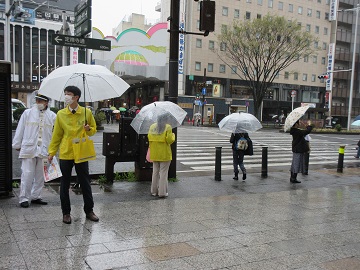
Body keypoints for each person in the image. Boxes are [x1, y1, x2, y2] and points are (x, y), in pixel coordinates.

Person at [47, 86, 99, 224]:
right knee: (64, 184)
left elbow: (93, 130)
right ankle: (66, 213)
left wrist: (89, 129)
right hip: (66, 152)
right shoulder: (61, 114)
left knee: (85, 182)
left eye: (68, 94)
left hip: (82, 151)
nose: (66, 97)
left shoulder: (86, 112)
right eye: (65, 94)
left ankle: (89, 210)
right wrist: (51, 152)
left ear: (76, 97)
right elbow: (56, 135)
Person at [12, 93, 56, 208]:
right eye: (37, 100)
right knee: (27, 174)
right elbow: (20, 128)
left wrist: (53, 149)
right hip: (29, 148)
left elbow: (56, 134)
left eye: (41, 101)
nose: (38, 103)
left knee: (41, 175)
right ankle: (24, 198)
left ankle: (36, 196)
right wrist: (17, 143)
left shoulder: (52, 116)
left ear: (46, 102)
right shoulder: (27, 113)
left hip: (44, 149)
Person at [148, 115, 175, 198]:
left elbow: (149, 137)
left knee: (155, 172)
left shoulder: (152, 127)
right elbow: (169, 140)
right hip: (164, 153)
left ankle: (154, 191)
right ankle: (162, 192)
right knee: (163, 173)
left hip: (154, 153)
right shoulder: (168, 127)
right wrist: (173, 135)